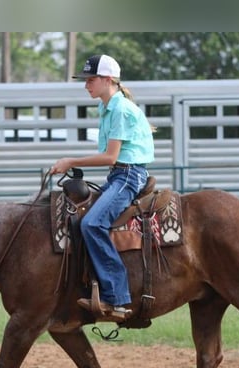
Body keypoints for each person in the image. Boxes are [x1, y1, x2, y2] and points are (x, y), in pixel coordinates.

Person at [51, 54, 154, 322]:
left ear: (108, 80)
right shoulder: (107, 107)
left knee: (92, 224)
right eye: (86, 80)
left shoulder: (119, 109)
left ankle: (118, 299)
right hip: (119, 174)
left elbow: (110, 156)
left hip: (128, 175)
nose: (86, 85)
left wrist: (70, 161)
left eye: (91, 79)